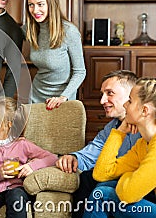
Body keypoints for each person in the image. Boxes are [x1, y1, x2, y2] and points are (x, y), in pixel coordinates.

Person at [56, 70, 141, 217]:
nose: (102, 101)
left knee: (102, 188)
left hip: (141, 185)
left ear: (130, 95)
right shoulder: (112, 126)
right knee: (88, 178)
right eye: (102, 94)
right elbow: (93, 152)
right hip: (123, 180)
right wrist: (74, 157)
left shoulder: (146, 127)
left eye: (110, 93)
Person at [0, 97, 58, 217]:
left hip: (18, 187)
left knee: (16, 199)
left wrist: (32, 166)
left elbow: (53, 158)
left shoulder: (22, 144)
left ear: (7, 124)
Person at [83, 77, 156, 217]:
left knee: (102, 195)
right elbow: (101, 174)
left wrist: (128, 176)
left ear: (144, 111)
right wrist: (119, 133)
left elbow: (129, 194)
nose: (125, 105)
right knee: (104, 186)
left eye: (130, 101)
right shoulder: (143, 144)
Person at [22, 0, 86, 109]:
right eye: (31, 5)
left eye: (40, 4)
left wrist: (63, 97)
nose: (35, 10)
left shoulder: (69, 32)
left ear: (51, 3)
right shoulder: (31, 29)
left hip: (61, 100)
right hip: (35, 97)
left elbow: (80, 72)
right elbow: (6, 30)